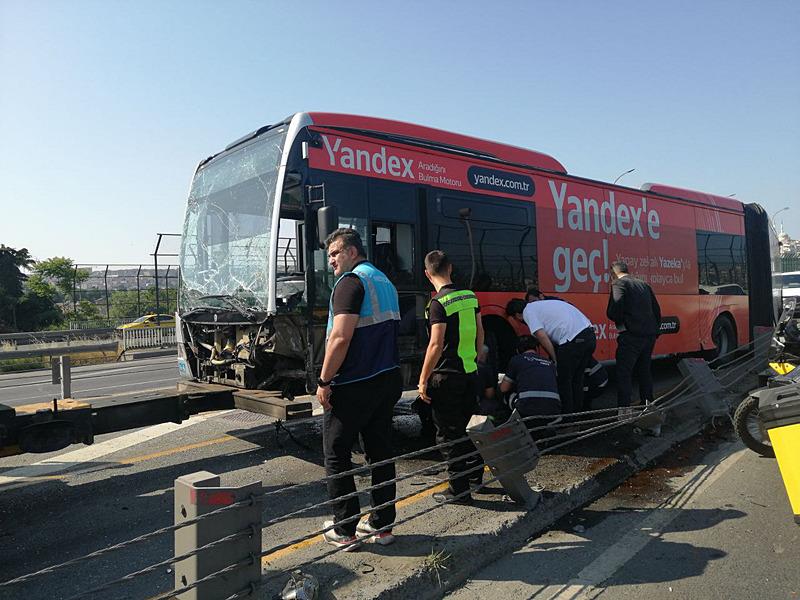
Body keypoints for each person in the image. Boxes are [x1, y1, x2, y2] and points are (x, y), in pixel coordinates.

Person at [316, 228, 402, 550]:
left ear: (352, 251)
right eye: (329, 255)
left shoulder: (350, 283)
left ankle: (344, 529)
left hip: (354, 383)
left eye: (335, 253)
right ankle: (382, 525)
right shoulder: (384, 281)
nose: (331, 261)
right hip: (386, 378)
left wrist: (324, 380)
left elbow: (340, 337)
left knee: (336, 453)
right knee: (380, 452)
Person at [418, 250, 485, 505]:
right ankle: (475, 477)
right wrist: (475, 360)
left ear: (427, 274)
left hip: (446, 377)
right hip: (470, 373)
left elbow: (436, 344)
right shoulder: (469, 296)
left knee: (449, 435)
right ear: (450, 268)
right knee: (470, 428)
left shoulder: (437, 303)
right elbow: (480, 332)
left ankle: (459, 490)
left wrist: (423, 379)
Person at [519, 296, 596, 416]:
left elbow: (542, 336)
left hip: (572, 339)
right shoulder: (543, 305)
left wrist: (555, 358)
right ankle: (577, 415)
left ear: (517, 315)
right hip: (589, 335)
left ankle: (567, 418)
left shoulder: (527, 311)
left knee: (564, 381)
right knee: (577, 379)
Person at [606, 261, 662, 417]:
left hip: (631, 336)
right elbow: (657, 310)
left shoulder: (619, 283)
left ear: (613, 273)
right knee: (644, 370)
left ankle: (624, 410)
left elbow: (614, 309)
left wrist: (621, 321)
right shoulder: (644, 284)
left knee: (624, 372)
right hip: (649, 336)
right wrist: (655, 331)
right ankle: (648, 406)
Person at [499, 335, 560, 437]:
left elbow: (503, 388)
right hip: (553, 410)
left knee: (506, 394)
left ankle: (511, 426)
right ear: (537, 348)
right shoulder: (550, 364)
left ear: (518, 350)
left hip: (527, 409)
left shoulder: (516, 360)